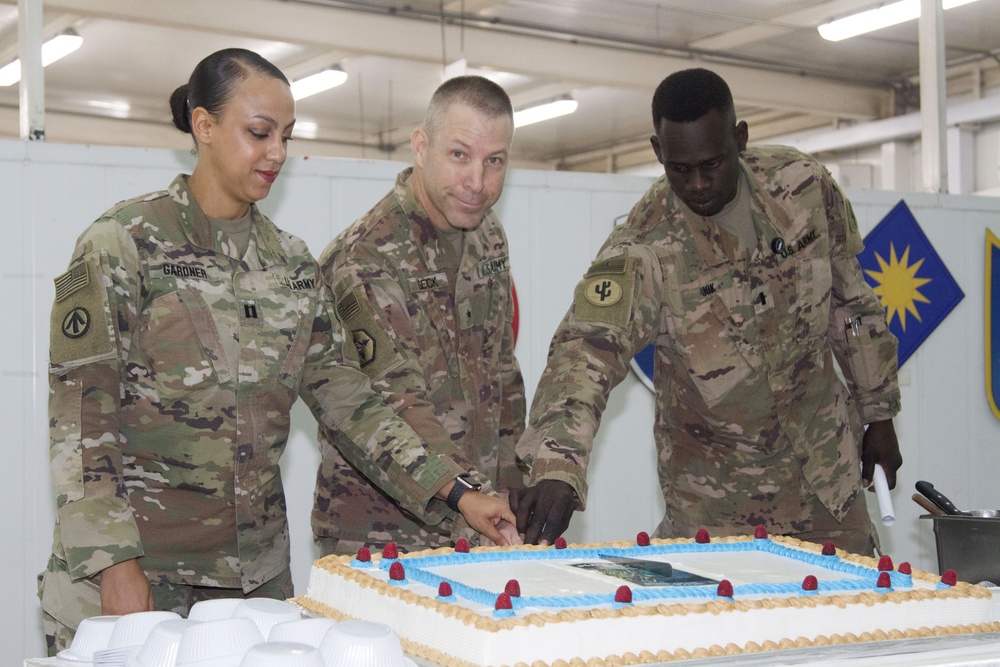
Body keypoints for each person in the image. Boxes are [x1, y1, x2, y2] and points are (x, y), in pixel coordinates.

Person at [39, 49, 515, 654]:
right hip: (137, 580)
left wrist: (458, 492)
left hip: (252, 596)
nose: (277, 154)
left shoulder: (292, 265)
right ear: (204, 126)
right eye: (259, 134)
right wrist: (113, 565)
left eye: (286, 137)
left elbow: (353, 405)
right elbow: (81, 419)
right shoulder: (123, 245)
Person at [511, 68, 902, 555]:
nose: (697, 184)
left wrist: (879, 413)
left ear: (739, 139)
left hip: (830, 488)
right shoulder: (644, 246)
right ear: (658, 153)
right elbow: (585, 353)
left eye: (713, 163)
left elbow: (850, 301)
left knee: (859, 623)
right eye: (679, 168)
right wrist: (557, 466)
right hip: (718, 513)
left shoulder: (802, 188)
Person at [312, 75, 526, 557]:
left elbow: (501, 375)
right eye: (459, 155)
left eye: (495, 161)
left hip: (480, 521)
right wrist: (467, 494)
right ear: (421, 147)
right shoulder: (365, 257)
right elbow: (396, 401)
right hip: (384, 533)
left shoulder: (488, 235)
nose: (477, 182)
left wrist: (514, 492)